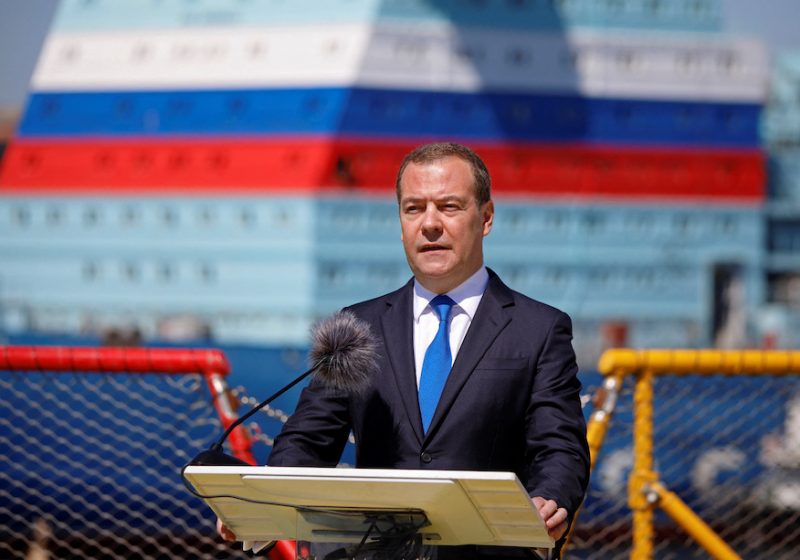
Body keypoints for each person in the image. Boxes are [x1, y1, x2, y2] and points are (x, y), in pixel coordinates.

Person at [224, 142, 590, 559]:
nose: (430, 224)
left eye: (449, 207)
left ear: (486, 217)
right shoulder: (356, 327)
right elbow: (307, 441)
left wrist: (550, 499)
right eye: (414, 208)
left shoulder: (539, 329)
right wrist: (262, 507)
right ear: (401, 222)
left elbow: (560, 447)